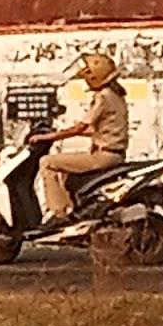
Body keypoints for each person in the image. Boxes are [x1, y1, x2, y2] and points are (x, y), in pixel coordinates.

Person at [38, 50, 130, 224]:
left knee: (47, 162)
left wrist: (49, 137)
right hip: (113, 154)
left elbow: (82, 126)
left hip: (103, 156)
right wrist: (64, 133)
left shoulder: (102, 97)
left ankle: (58, 213)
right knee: (66, 170)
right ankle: (72, 211)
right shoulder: (117, 96)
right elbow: (97, 130)